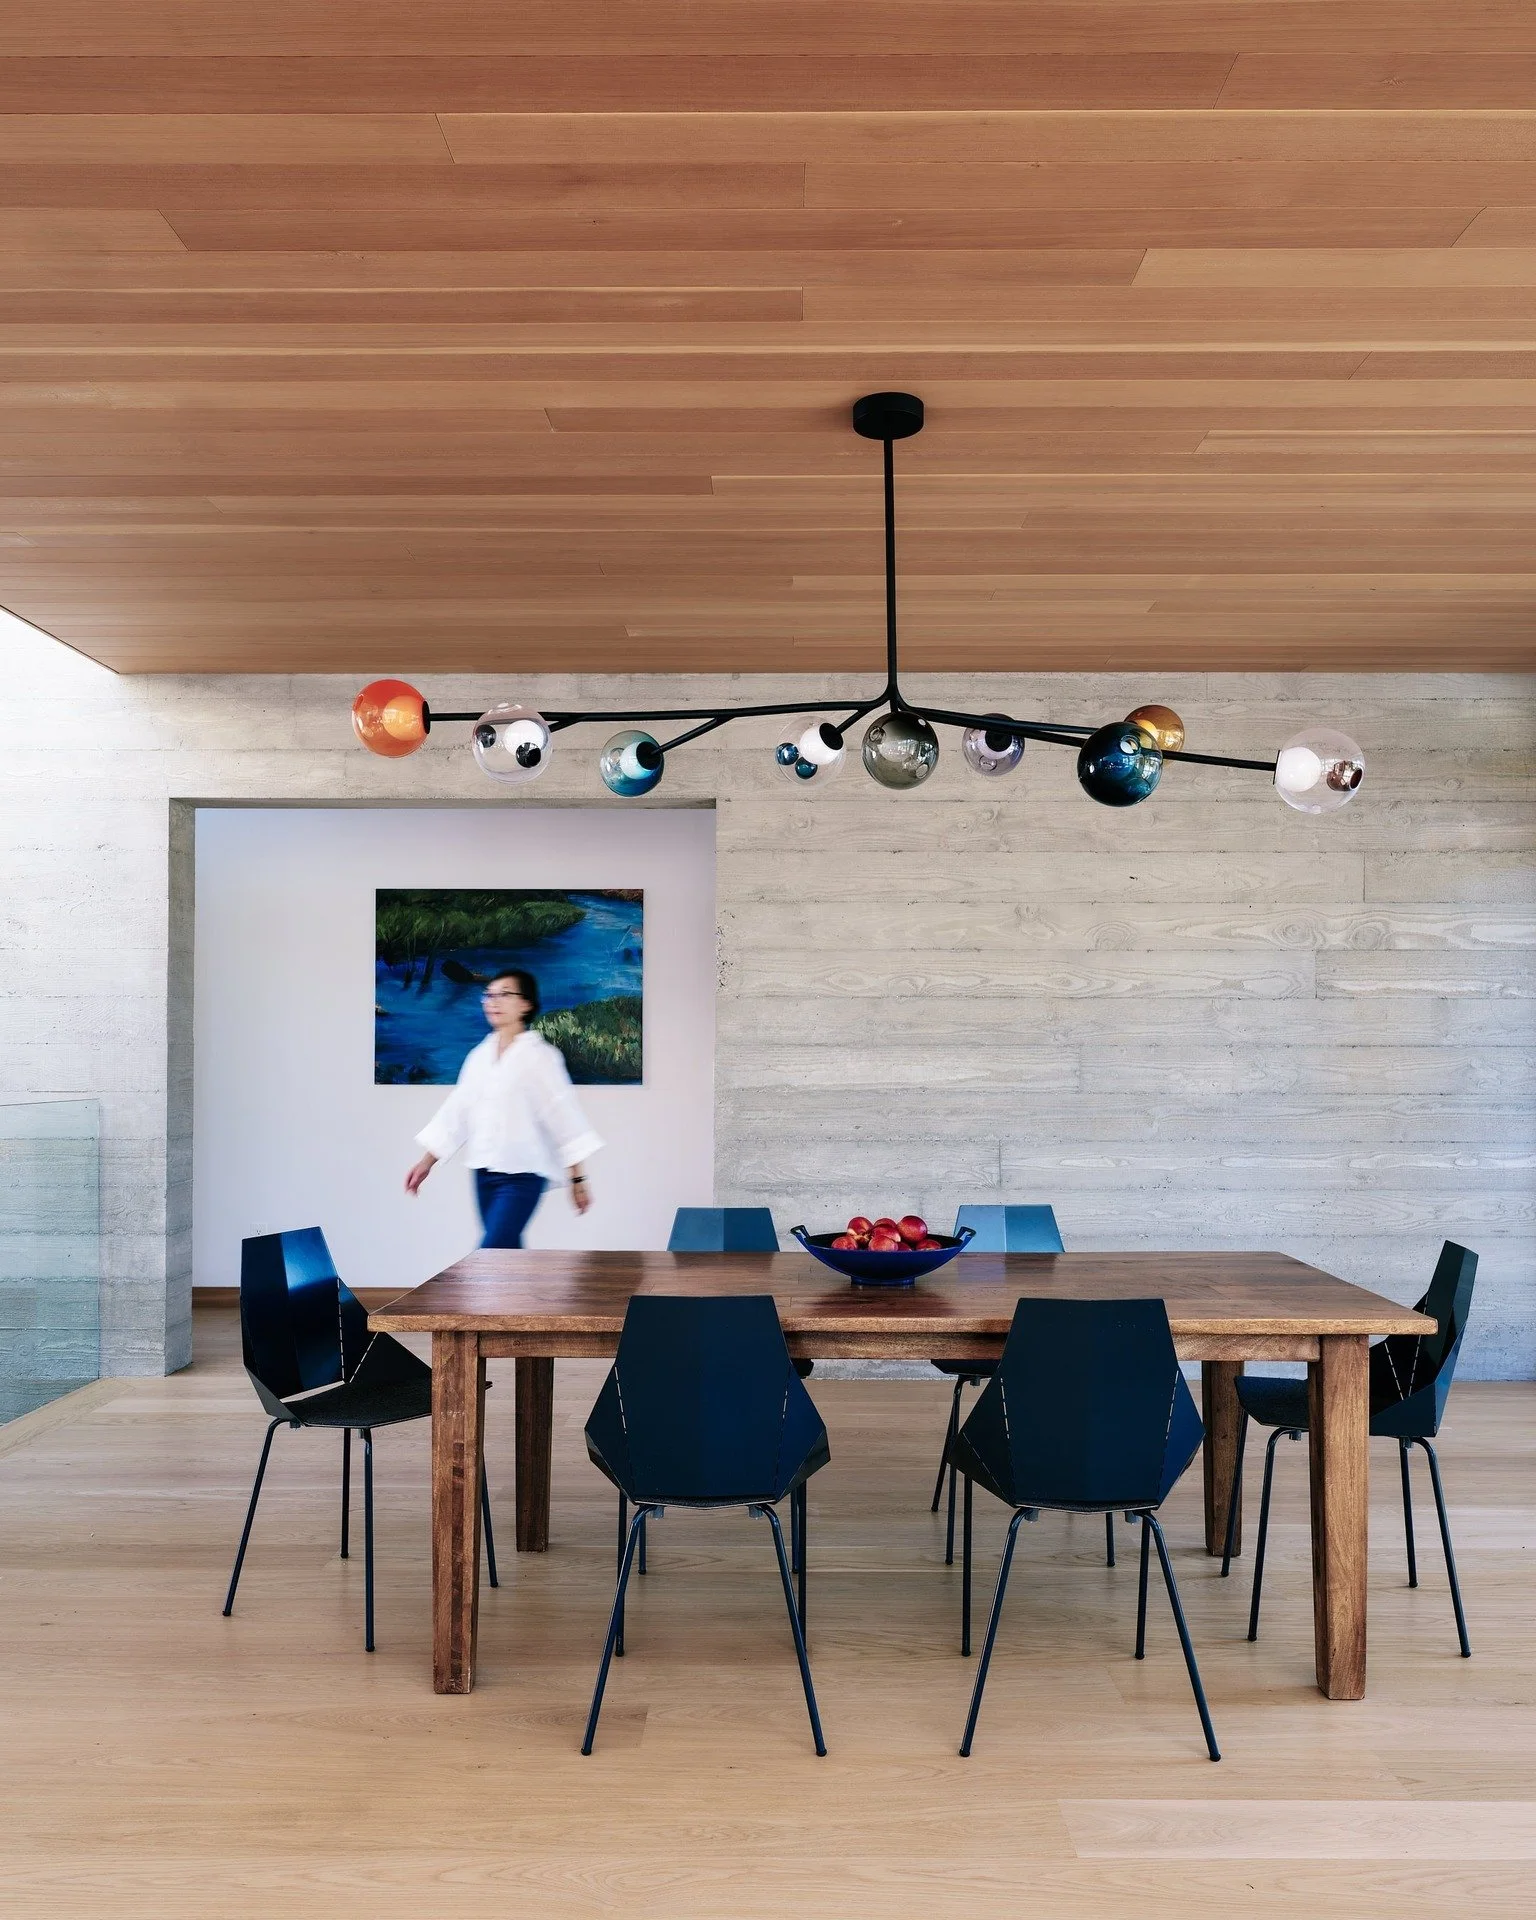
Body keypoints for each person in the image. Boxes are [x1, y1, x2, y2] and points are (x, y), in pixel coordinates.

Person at [405, 968, 600, 1248]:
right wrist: (426, 1164)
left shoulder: (541, 1057)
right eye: (489, 995)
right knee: (505, 1260)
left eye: (504, 995)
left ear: (526, 1004)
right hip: (483, 1173)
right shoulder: (478, 1057)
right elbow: (457, 1113)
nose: (493, 1001)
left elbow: (563, 1118)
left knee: (489, 1254)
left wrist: (578, 1178)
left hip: (523, 1175)